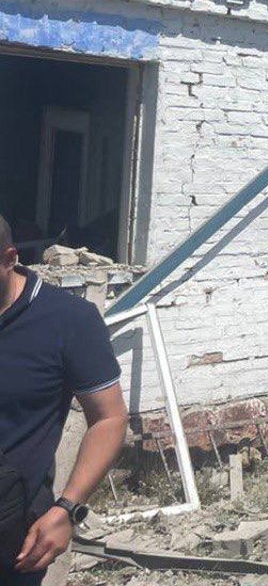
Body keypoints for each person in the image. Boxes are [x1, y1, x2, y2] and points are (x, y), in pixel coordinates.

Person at [0, 213, 129, 584]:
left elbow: (110, 419)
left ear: (9, 259)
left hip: (12, 533)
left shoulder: (68, 321)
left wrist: (66, 509)